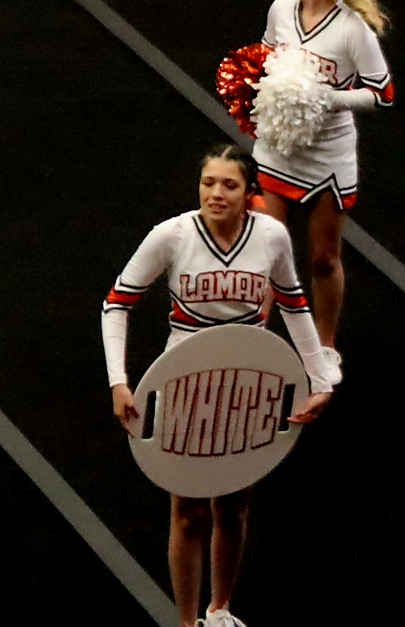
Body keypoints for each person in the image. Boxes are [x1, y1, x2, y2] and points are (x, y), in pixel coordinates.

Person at [103, 146, 335, 627]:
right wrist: (118, 382)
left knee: (232, 506)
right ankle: (188, 622)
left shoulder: (270, 236)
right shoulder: (172, 235)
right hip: (185, 385)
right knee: (188, 512)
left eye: (229, 185)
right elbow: (116, 303)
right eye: (208, 182)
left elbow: (294, 304)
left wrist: (319, 379)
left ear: (249, 192)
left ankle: (220, 610)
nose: (216, 193)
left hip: (246, 387)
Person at [250, 0, 392, 362]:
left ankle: (324, 347)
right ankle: (252, 341)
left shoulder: (352, 30)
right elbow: (263, 57)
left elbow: (383, 94)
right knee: (265, 251)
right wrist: (258, 91)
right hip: (278, 148)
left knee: (323, 259)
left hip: (327, 158)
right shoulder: (281, 10)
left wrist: (326, 98)